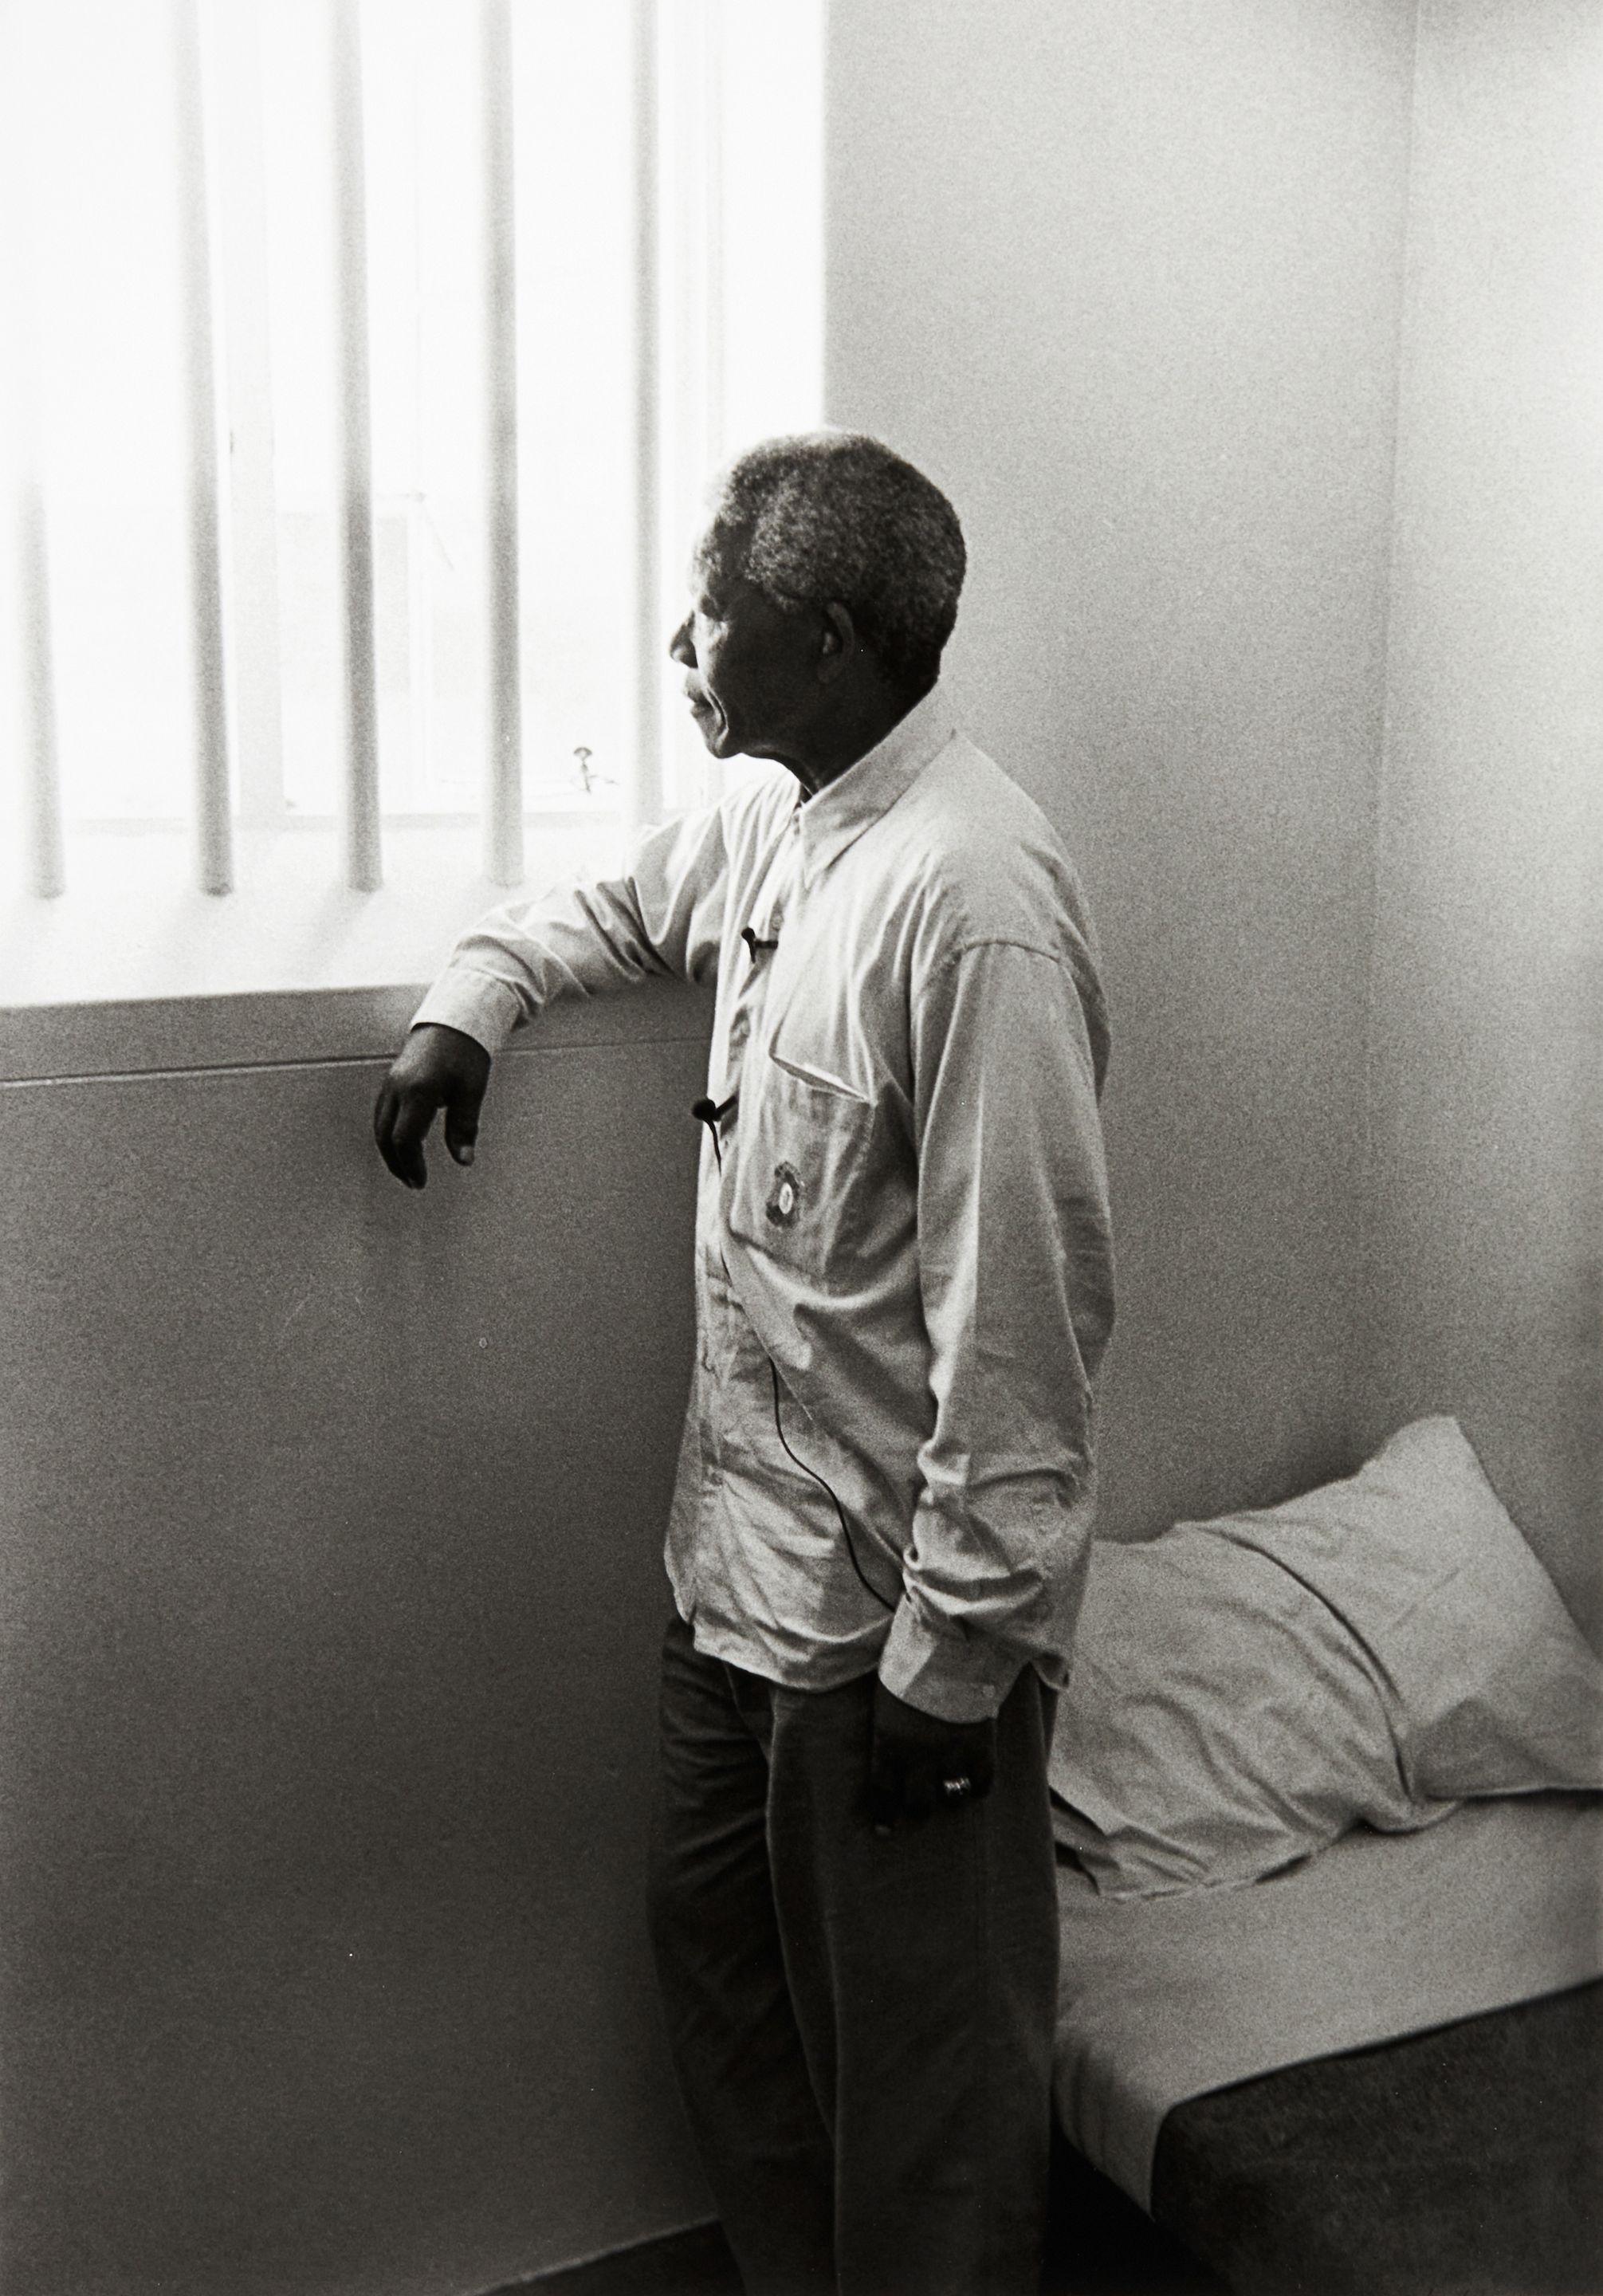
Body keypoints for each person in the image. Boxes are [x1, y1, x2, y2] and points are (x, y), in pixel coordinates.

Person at [373, 431, 1114, 2296]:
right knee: (729, 1995)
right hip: (727, 1590)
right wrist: (478, 1003)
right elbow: (617, 908)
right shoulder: (785, 814)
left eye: (716, 621)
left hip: (887, 1644)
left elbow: (1023, 1320)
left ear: (841, 643)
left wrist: (954, 1672)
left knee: (926, 2096)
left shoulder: (974, 899)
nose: (680, 654)